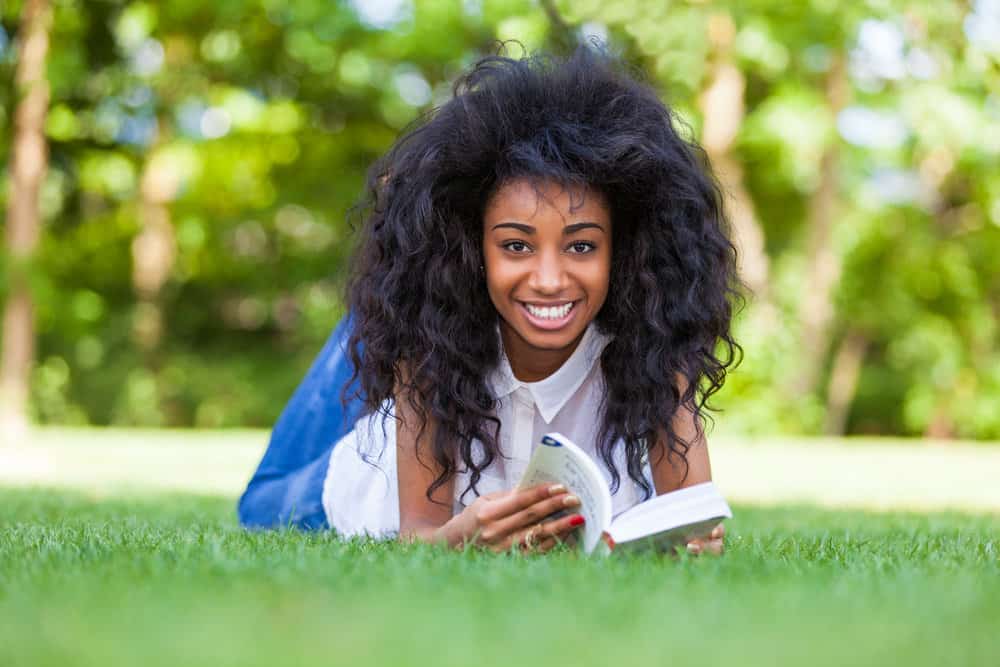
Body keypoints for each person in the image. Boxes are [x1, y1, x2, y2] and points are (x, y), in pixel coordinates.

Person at [238, 45, 742, 555]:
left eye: (582, 245)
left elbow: (694, 515)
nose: (549, 279)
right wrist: (464, 536)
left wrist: (698, 542)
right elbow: (419, 536)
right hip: (356, 484)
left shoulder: (654, 350)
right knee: (260, 508)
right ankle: (369, 315)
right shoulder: (430, 343)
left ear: (624, 251)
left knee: (399, 306)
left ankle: (382, 305)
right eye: (516, 245)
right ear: (473, 248)